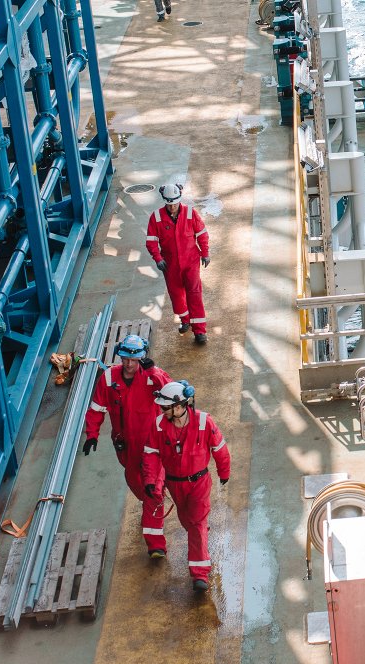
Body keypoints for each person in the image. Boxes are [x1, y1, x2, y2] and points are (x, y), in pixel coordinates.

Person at [83, 335, 172, 558]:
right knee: (136, 483)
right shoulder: (109, 378)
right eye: (125, 359)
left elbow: (171, 392)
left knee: (152, 489)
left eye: (134, 360)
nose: (129, 364)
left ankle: (155, 545)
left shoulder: (152, 377)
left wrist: (154, 372)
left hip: (153, 446)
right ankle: (153, 498)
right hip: (125, 447)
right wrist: (92, 435)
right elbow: (96, 408)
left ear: (142, 358)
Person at [141, 380, 231, 592]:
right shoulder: (159, 426)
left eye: (166, 407)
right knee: (188, 522)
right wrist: (151, 481)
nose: (162, 411)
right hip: (175, 485)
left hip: (199, 483)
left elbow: (220, 448)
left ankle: (200, 575)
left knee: (197, 524)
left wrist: (223, 472)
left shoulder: (204, 422)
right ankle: (199, 544)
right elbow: (151, 456)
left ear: (180, 406)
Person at [146, 182, 211, 345]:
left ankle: (200, 331)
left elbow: (202, 234)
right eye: (169, 204)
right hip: (170, 264)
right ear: (165, 201)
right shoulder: (156, 217)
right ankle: (185, 320)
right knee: (176, 295)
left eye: (174, 203)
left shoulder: (190, 213)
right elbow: (151, 241)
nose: (172, 207)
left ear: (179, 199)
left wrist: (205, 253)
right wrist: (158, 258)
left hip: (191, 262)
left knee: (194, 294)